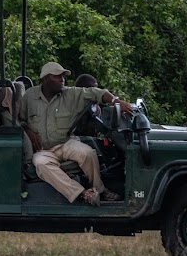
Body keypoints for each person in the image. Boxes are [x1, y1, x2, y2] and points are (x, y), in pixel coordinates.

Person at [19, 62, 132, 206]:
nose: (62, 80)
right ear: (45, 79)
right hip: (43, 149)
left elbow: (96, 92)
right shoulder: (30, 96)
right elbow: (20, 120)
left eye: (63, 77)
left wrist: (116, 101)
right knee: (41, 165)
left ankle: (99, 190)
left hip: (65, 143)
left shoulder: (70, 93)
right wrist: (28, 130)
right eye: (57, 77)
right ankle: (82, 193)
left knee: (88, 153)